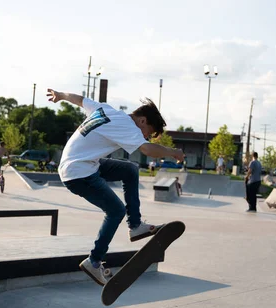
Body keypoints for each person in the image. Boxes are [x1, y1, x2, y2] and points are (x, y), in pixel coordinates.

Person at [47, 89, 185, 286]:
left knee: (130, 170)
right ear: (143, 121)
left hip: (82, 164)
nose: (146, 137)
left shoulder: (105, 109)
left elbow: (79, 100)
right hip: (78, 173)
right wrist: (173, 152)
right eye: (149, 133)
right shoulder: (127, 126)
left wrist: (61, 95)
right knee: (116, 211)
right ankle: (93, 261)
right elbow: (146, 150)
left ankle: (135, 226)